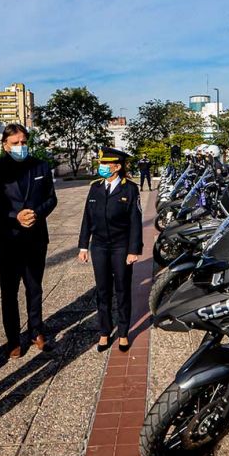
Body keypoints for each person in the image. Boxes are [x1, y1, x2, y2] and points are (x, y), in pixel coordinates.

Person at [0, 124, 57, 359]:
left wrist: (36, 213)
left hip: (35, 238)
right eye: (15, 143)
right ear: (5, 145)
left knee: (34, 288)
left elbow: (51, 198)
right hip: (6, 240)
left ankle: (36, 332)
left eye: (24, 142)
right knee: (9, 291)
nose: (20, 147)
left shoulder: (40, 165)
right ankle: (13, 339)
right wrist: (15, 217)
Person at [78, 147, 143, 352]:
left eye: (106, 164)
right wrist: (83, 246)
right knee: (103, 290)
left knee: (122, 289)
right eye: (102, 163)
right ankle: (104, 332)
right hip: (99, 245)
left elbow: (136, 221)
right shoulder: (95, 187)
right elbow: (87, 217)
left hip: (121, 246)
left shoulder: (130, 189)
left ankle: (123, 332)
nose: (102, 167)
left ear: (117, 166)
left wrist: (134, 250)